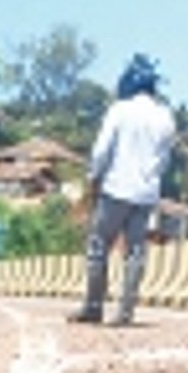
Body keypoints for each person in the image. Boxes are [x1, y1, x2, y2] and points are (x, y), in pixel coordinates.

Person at [71, 53, 176, 326]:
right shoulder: (166, 117)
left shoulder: (119, 110)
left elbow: (101, 150)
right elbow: (164, 160)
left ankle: (94, 306)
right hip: (146, 194)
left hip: (116, 188)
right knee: (135, 251)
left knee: (99, 245)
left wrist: (93, 178)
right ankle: (126, 312)